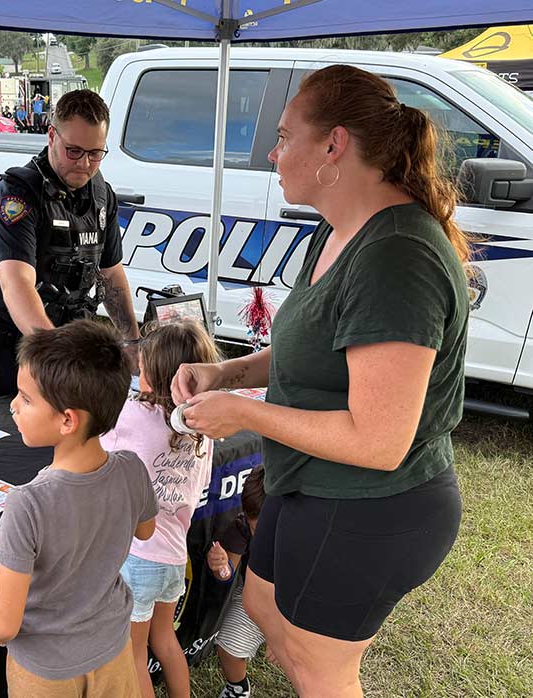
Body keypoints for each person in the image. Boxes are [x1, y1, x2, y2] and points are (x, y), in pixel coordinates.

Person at [171, 65, 468, 697]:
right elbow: (308, 347)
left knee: (318, 667)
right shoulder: (335, 231)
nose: (273, 154)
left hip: (372, 501)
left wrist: (243, 413)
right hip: (308, 480)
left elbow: (379, 441)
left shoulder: (397, 257)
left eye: (283, 137)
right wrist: (228, 372)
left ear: (333, 145)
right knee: (262, 604)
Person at [0, 319, 158, 698]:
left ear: (67, 420)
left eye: (25, 399)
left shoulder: (27, 504)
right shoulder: (132, 468)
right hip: (113, 648)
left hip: (45, 671)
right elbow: (146, 531)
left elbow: (3, 626)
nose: (13, 406)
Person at [0, 88, 139, 402]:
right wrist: (56, 358)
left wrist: (133, 342)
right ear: (52, 136)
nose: (84, 164)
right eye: (74, 151)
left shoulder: (100, 195)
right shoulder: (16, 196)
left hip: (66, 351)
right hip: (7, 357)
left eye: (95, 153)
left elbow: (110, 274)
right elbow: (17, 284)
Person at [100, 320, 219, 698]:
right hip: (173, 558)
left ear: (152, 372)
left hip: (137, 557)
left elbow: (96, 446)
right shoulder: (203, 429)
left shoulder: (131, 415)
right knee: (165, 640)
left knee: (133, 654)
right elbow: (200, 484)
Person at [206, 465, 267, 698]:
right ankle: (238, 687)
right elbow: (227, 574)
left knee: (310, 660)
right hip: (256, 594)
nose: (263, 535)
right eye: (256, 527)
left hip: (300, 604)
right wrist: (221, 567)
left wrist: (282, 636)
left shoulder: (311, 532)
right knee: (229, 647)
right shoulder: (242, 528)